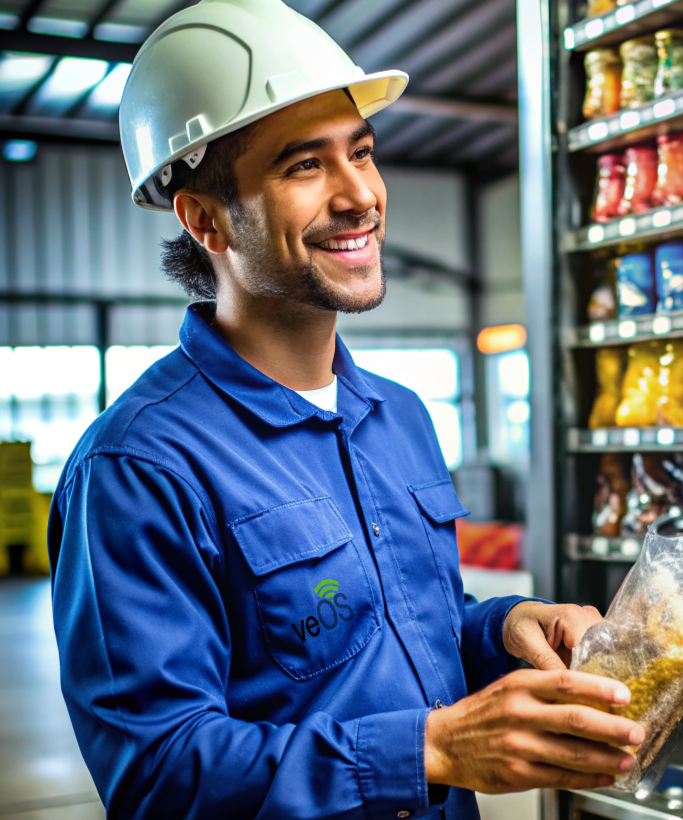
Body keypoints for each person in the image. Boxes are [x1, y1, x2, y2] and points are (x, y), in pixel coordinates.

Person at [47, 1, 645, 818]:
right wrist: (428, 750)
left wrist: (503, 627)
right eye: (304, 166)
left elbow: (400, 636)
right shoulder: (138, 468)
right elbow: (158, 773)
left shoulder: (398, 417)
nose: (360, 194)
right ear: (206, 218)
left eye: (362, 152)